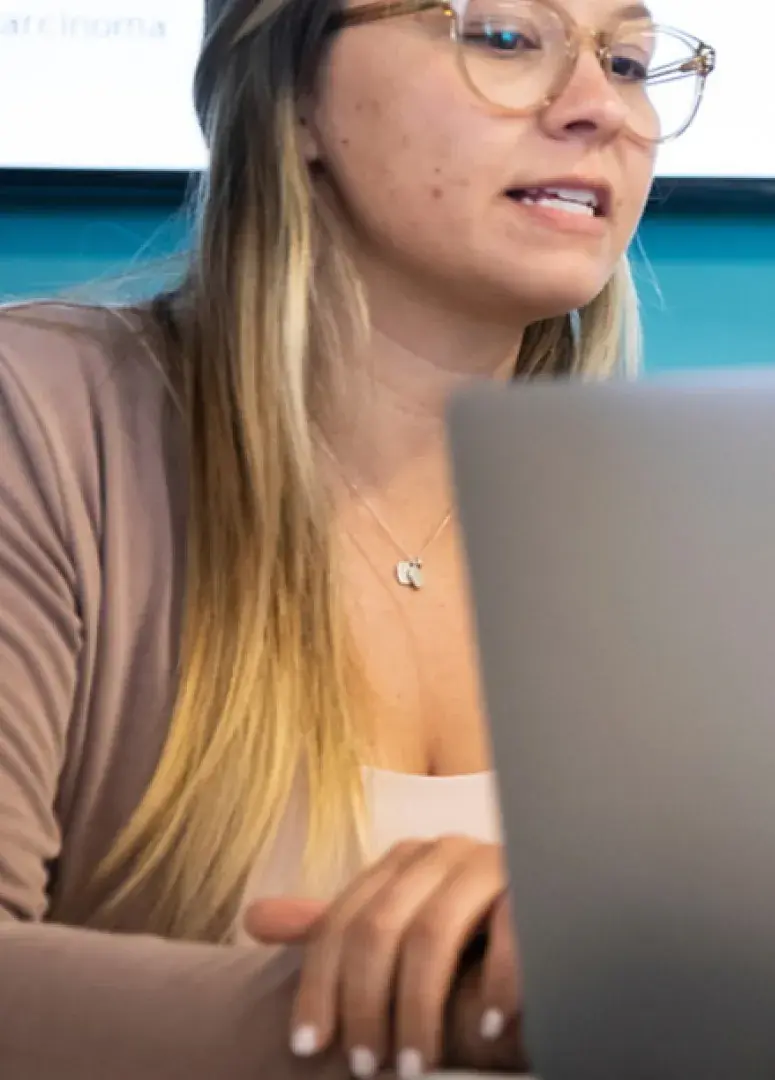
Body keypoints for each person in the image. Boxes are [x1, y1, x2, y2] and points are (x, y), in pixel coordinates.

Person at [0, 0, 714, 1076]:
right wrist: (433, 1003)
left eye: (626, 60)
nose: (598, 109)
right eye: (505, 37)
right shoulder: (43, 420)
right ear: (294, 93)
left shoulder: (686, 537)